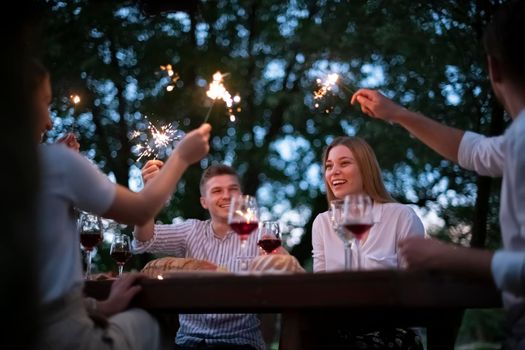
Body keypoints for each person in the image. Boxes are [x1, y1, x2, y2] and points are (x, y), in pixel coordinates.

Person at [351, 1, 525, 348]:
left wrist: (448, 256)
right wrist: (396, 113)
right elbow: (472, 151)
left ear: (493, 67)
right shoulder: (516, 139)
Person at [33, 59, 212, 350]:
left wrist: (98, 307)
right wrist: (181, 157)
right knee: (155, 319)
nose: (50, 121)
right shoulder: (55, 162)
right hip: (68, 340)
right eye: (44, 102)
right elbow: (142, 212)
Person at [133, 162, 265, 350]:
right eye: (217, 190)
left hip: (240, 342)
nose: (226, 195)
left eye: (232, 189)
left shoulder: (259, 235)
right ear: (204, 201)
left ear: (241, 197)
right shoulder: (190, 230)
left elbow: (282, 276)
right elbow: (144, 239)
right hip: (189, 342)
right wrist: (149, 195)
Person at [311, 136, 425, 349]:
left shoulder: (402, 216)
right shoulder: (322, 223)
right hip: (338, 328)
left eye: (344, 163)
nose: (333, 171)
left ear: (365, 168)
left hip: (392, 330)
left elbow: (415, 290)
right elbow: (321, 289)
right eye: (329, 166)